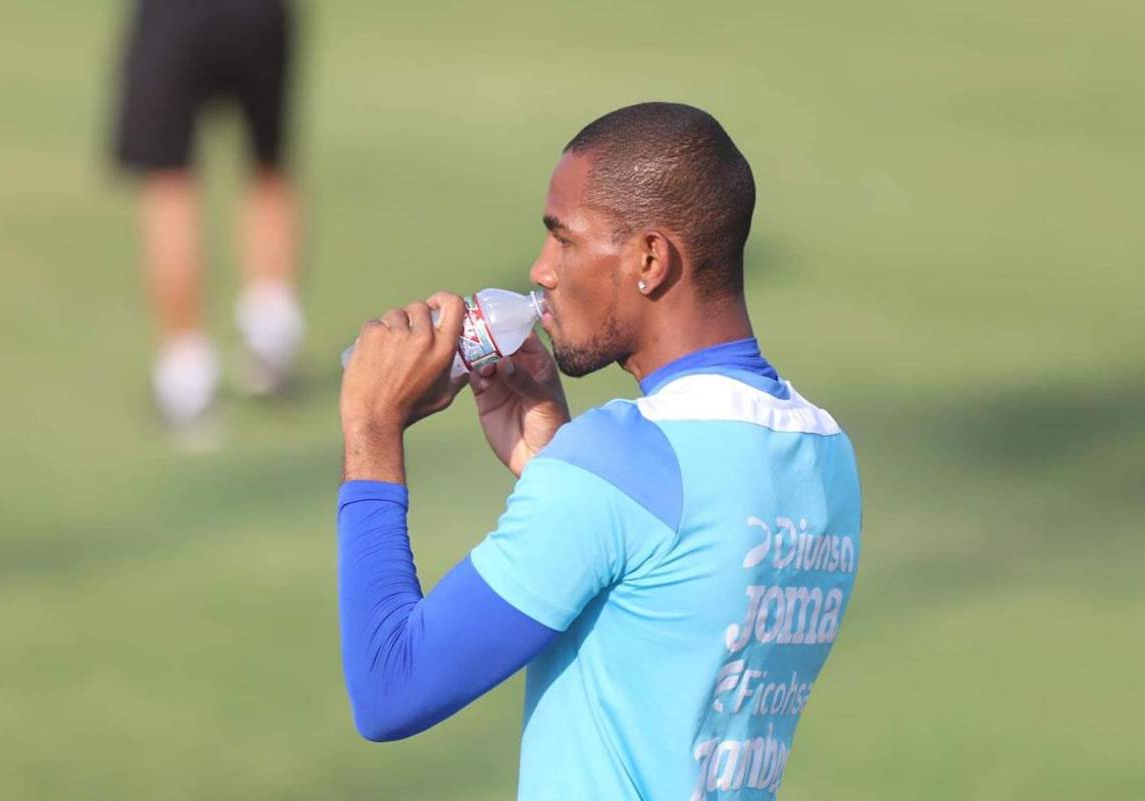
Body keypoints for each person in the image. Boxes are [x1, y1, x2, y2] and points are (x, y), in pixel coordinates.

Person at [337, 102, 863, 800]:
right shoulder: (826, 453)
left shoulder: (617, 462)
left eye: (564, 239)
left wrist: (371, 430)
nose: (541, 269)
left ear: (650, 259)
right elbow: (673, 618)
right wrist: (551, 460)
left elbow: (391, 685)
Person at [113, 0, 303, 432]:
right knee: (267, 165)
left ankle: (187, 374)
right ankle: (271, 336)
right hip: (259, 13)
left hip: (174, 16)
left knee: (170, 181)